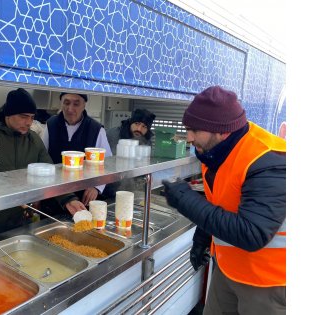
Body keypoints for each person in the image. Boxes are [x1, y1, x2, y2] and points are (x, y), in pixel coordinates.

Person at [161, 86, 286, 314]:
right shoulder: (215, 151)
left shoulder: (269, 161)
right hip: (228, 269)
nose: (189, 138)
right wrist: (203, 237)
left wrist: (186, 200)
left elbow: (253, 233)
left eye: (194, 130)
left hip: (267, 283)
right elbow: (221, 202)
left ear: (221, 131)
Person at [0, 88, 87, 235]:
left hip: (20, 222)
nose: (29, 122)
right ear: (8, 114)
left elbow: (51, 173)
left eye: (32, 117)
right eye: (24, 117)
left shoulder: (33, 140)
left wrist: (68, 199)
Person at [42, 92, 113, 205]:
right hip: (55, 194)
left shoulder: (96, 129)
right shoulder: (51, 125)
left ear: (84, 105)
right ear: (61, 103)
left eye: (76, 104)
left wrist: (96, 187)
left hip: (84, 196)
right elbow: (42, 157)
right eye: (66, 103)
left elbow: (108, 162)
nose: (70, 109)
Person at [104, 108, 156, 197]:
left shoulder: (146, 142)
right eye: (137, 124)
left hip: (128, 188)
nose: (139, 129)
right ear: (131, 122)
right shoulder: (113, 135)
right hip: (106, 186)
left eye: (144, 126)